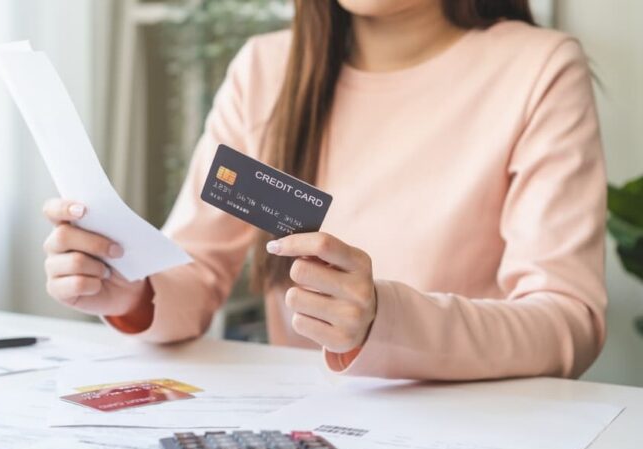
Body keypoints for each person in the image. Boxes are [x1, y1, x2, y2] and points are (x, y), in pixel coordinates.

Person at [42, 0, 606, 381]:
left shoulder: (539, 68)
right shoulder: (265, 70)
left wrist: (384, 319)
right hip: (306, 438)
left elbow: (566, 322)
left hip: (480, 437)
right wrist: (131, 289)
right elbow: (195, 269)